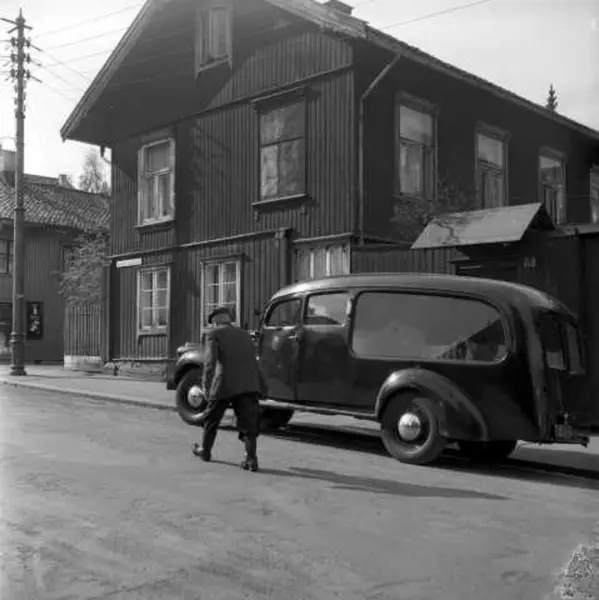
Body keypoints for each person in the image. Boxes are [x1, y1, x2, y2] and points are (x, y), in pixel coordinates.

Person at [191, 306, 265, 472]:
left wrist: (206, 386)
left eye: (214, 321)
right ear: (229, 319)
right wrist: (261, 384)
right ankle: (251, 459)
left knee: (211, 418)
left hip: (224, 383)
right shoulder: (245, 335)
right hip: (247, 383)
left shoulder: (214, 334)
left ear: (217, 320)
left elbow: (210, 363)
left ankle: (205, 451)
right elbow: (254, 360)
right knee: (248, 423)